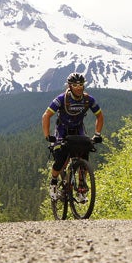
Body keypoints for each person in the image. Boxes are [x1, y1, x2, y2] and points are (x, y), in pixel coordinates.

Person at [41, 72, 103, 202]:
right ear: (70, 86)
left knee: (85, 153)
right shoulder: (61, 99)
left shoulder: (88, 99)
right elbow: (46, 116)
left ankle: (81, 188)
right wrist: (48, 136)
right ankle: (53, 183)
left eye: (81, 84)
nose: (79, 87)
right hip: (62, 130)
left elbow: (100, 116)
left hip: (78, 129)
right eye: (75, 85)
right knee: (61, 157)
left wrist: (97, 134)